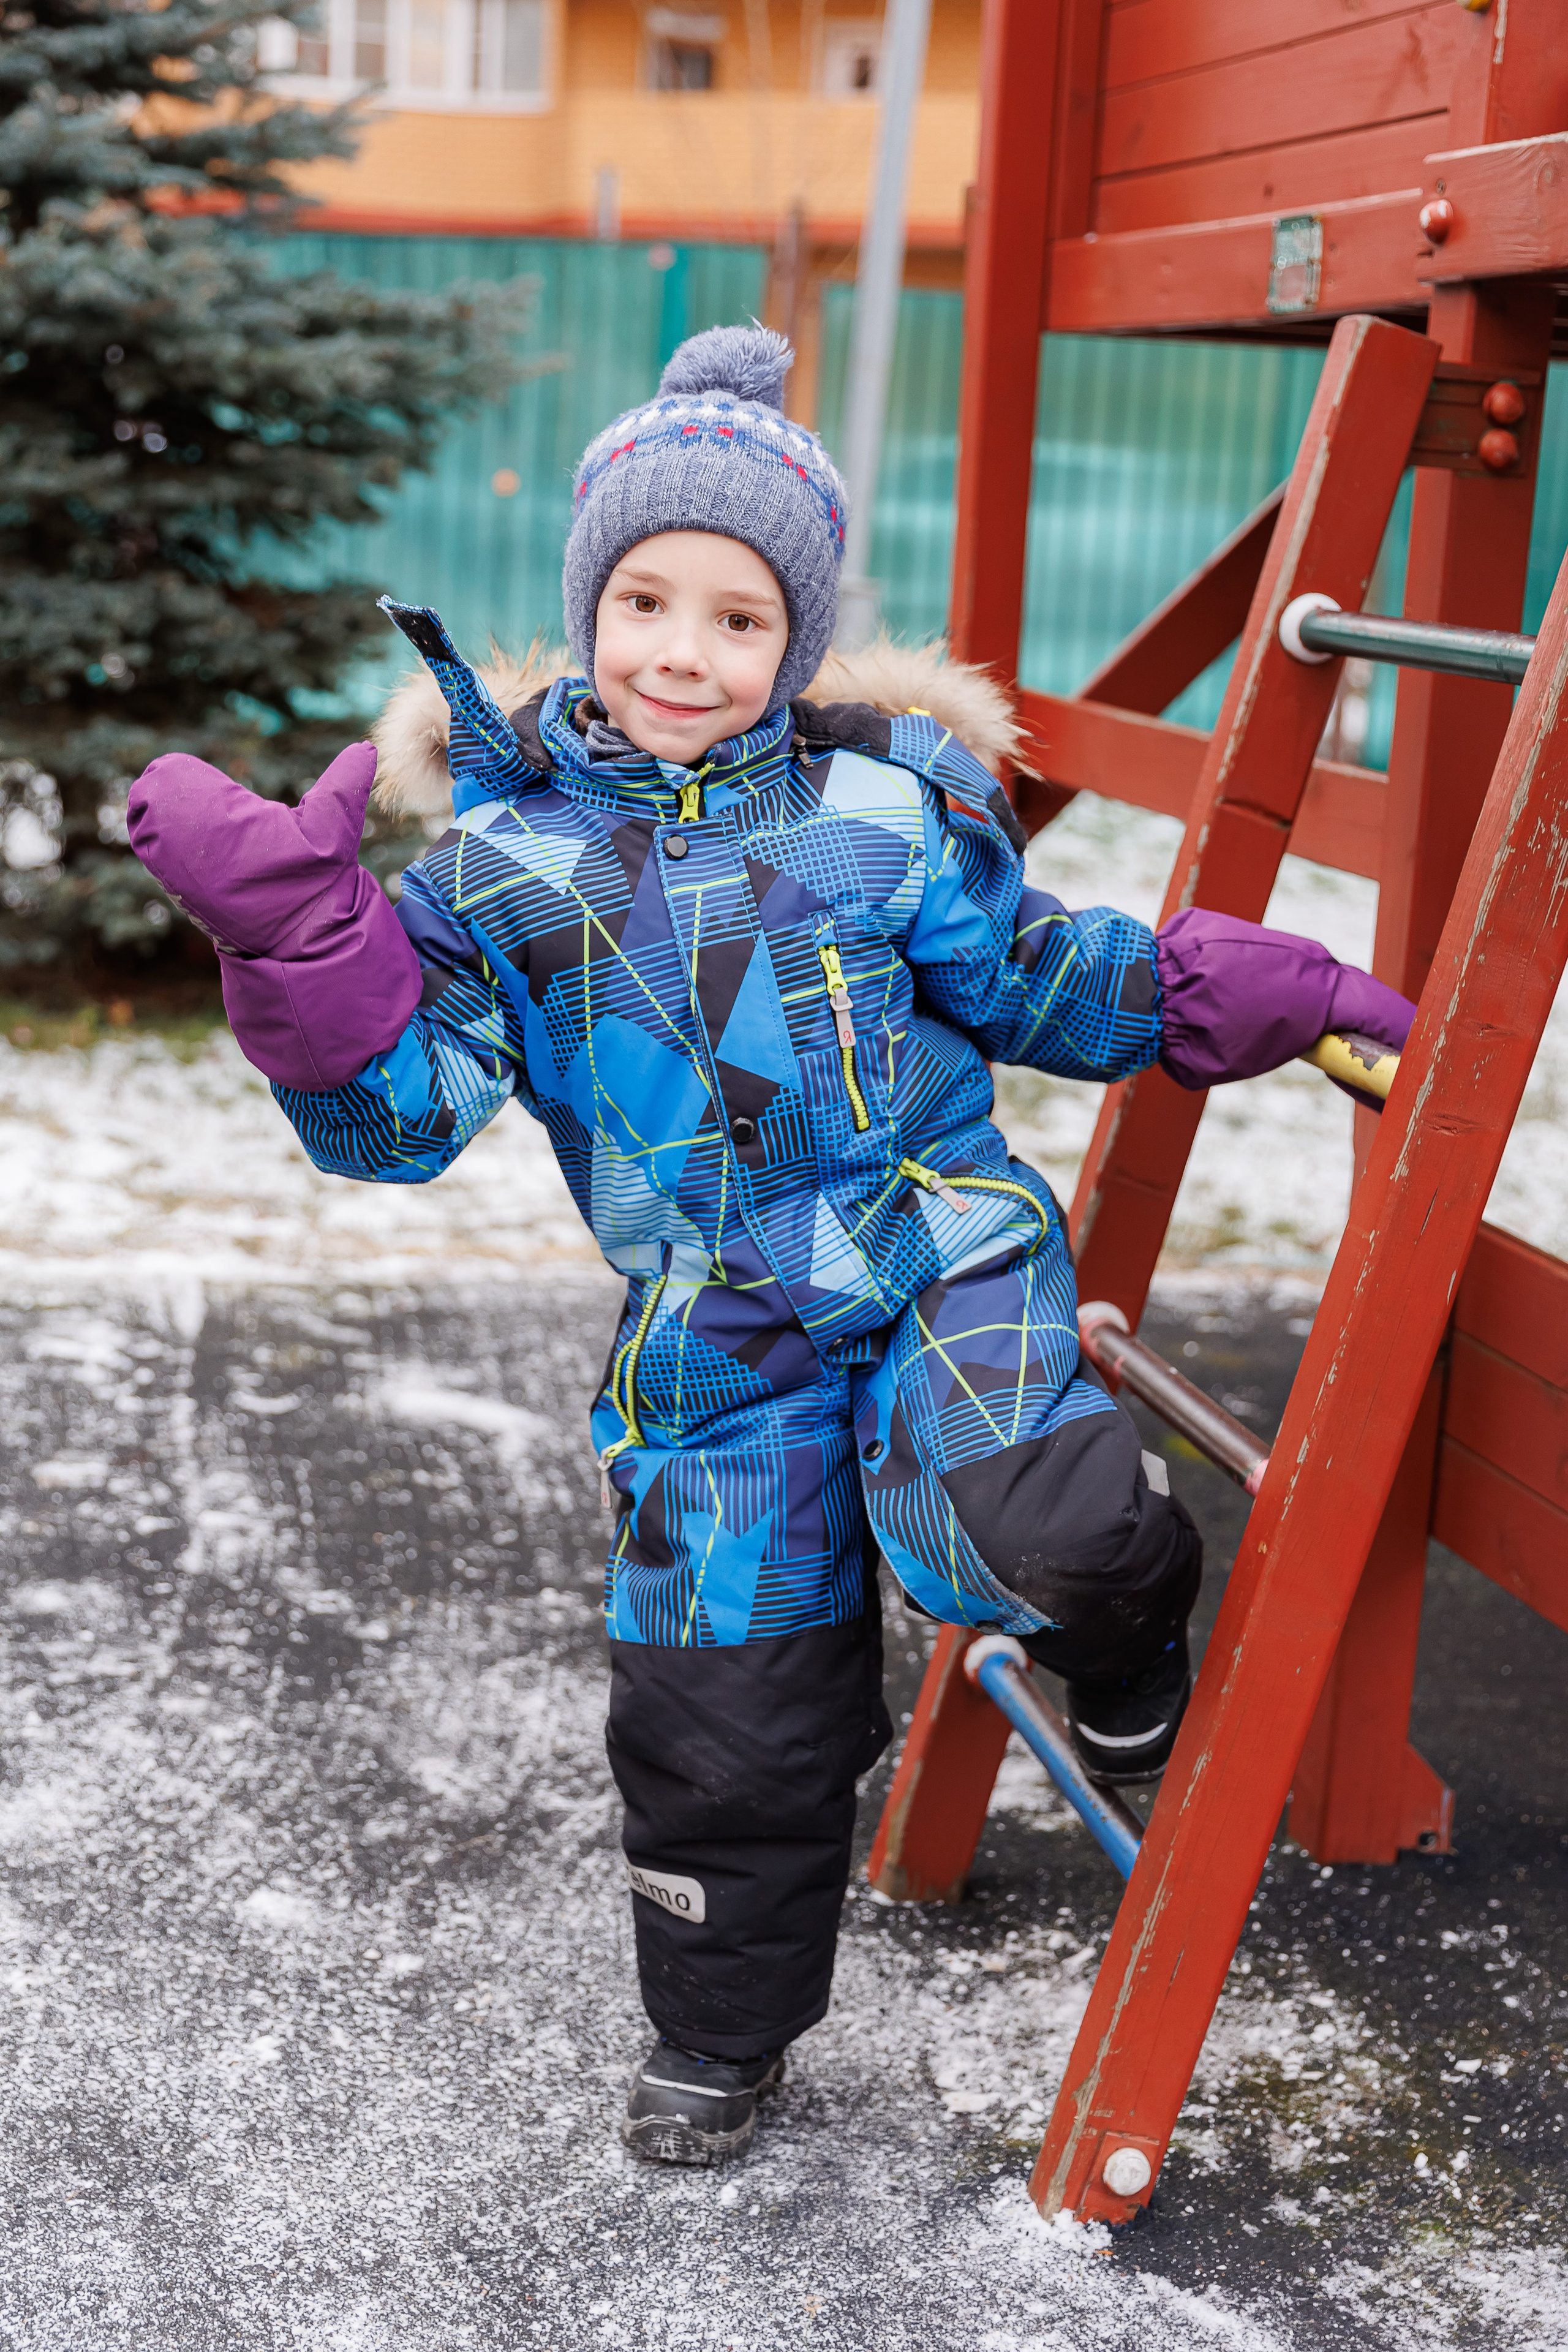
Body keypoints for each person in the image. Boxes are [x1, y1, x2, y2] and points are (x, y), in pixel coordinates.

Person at [127, 326, 1414, 2168]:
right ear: (586, 609)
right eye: (646, 599)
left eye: (740, 620)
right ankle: (724, 2034)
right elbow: (395, 1128)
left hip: (926, 1248)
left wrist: (1260, 991)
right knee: (721, 1699)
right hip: (713, 1330)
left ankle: (1127, 1634)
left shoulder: (886, 814)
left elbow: (1043, 974)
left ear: (793, 645)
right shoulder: (502, 865)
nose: (683, 650)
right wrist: (308, 963)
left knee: (1020, 1518)